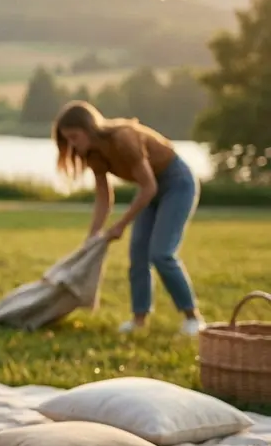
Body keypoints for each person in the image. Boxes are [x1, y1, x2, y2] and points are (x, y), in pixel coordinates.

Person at [52, 100, 204, 336]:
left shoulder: (123, 138)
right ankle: (139, 320)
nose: (72, 145)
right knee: (138, 256)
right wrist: (93, 235)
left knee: (161, 254)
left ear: (89, 128)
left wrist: (120, 225)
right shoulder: (93, 154)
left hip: (177, 183)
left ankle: (193, 318)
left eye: (74, 137)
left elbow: (149, 187)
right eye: (67, 139)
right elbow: (104, 196)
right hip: (149, 189)